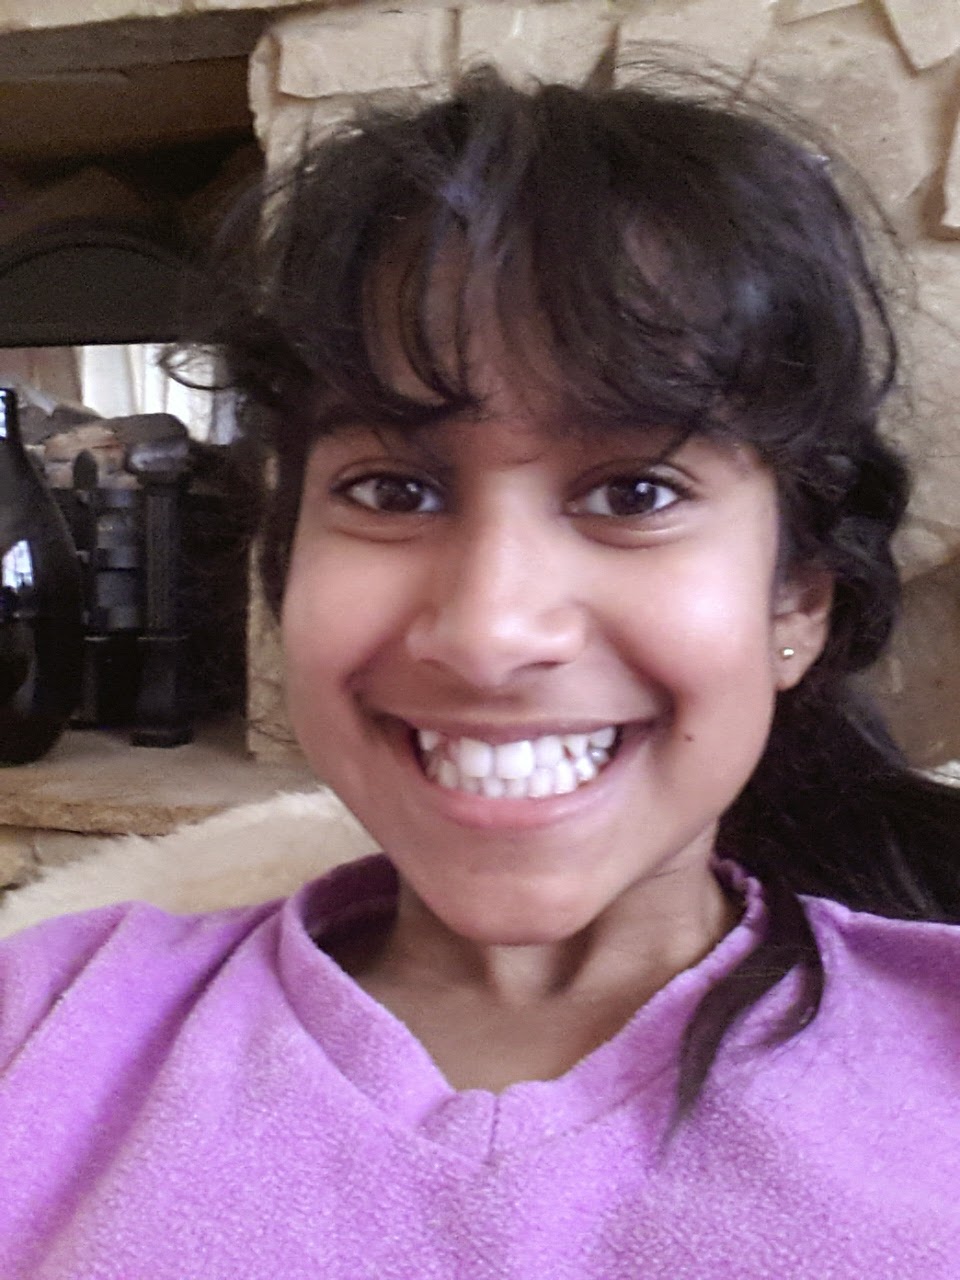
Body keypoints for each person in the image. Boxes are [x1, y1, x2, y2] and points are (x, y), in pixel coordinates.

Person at [3, 67, 960, 1279]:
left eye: (636, 492)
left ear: (799, 600)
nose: (489, 632)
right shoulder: (44, 1021)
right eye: (393, 490)